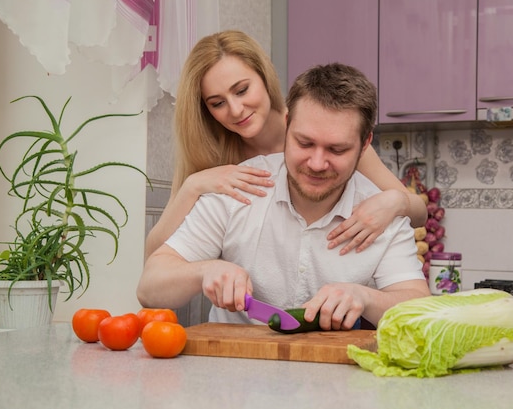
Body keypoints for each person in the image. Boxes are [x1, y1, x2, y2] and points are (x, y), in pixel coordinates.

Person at [137, 63, 431, 330]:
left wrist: (365, 298)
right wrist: (203, 271)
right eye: (304, 143)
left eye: (337, 150)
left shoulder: (381, 213)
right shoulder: (238, 187)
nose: (317, 163)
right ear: (287, 124)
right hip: (231, 376)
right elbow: (149, 288)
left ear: (365, 144)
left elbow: (420, 310)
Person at [144, 30, 427, 260]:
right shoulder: (217, 159)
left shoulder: (326, 135)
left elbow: (419, 213)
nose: (236, 109)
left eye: (242, 90)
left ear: (264, 77)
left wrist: (395, 201)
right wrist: (193, 185)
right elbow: (155, 256)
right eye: (217, 103)